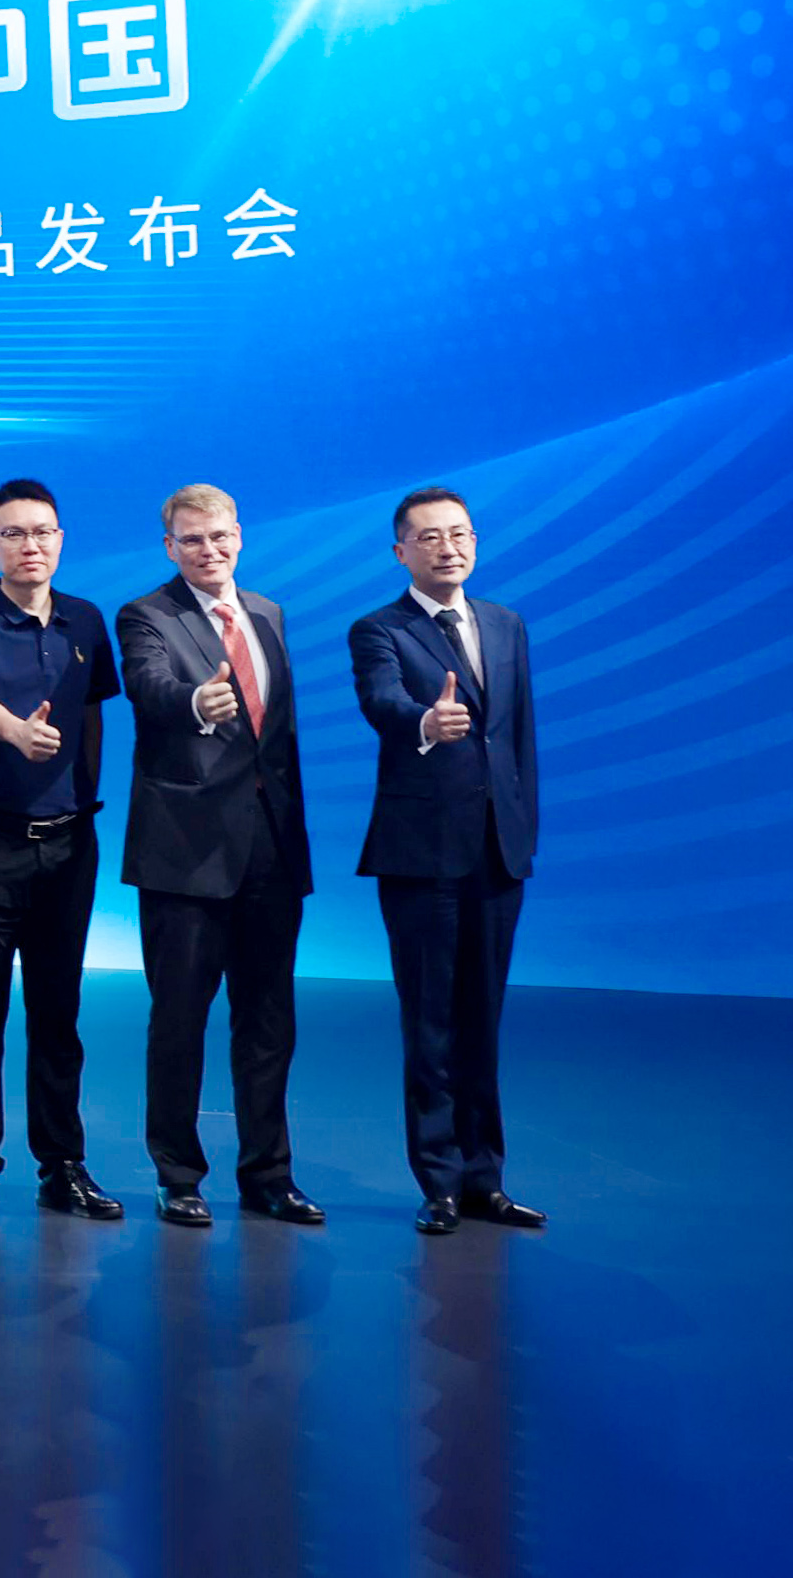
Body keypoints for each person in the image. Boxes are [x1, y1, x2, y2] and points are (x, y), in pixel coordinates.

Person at [114, 484, 319, 1229]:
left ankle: (269, 1174)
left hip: (270, 849)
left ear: (240, 536)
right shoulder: (146, 614)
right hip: (186, 852)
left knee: (268, 1021)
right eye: (193, 540)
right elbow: (148, 685)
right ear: (170, 547)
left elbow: (277, 739)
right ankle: (178, 1174)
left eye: (220, 536)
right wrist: (195, 703)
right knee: (180, 1020)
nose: (209, 550)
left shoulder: (267, 613)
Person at [347, 487, 545, 1237]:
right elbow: (382, 703)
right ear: (402, 551)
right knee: (430, 1023)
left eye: (459, 534)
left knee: (482, 1023)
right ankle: (438, 1182)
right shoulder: (380, 629)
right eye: (429, 537)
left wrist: (523, 829)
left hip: (497, 852)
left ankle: (485, 1179)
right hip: (422, 855)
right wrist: (427, 721)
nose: (448, 547)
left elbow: (518, 738)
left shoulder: (505, 623)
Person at [0, 478, 129, 1226]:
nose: (30, 545)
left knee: (58, 1013)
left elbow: (92, 715)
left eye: (42, 532)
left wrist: (83, 798)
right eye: (13, 534)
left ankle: (63, 1165)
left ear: (61, 540)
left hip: (69, 845)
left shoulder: (86, 619)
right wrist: (15, 731)